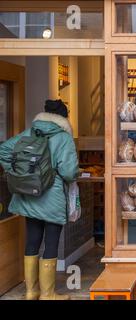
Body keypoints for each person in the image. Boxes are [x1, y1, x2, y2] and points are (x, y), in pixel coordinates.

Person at [0, 99, 79, 300]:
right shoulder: (63, 138)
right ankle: (48, 293)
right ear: (64, 118)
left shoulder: (29, 133)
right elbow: (69, 173)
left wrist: (19, 173)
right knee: (51, 242)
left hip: (28, 196)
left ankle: (30, 291)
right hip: (51, 198)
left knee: (32, 240)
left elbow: (4, 150)